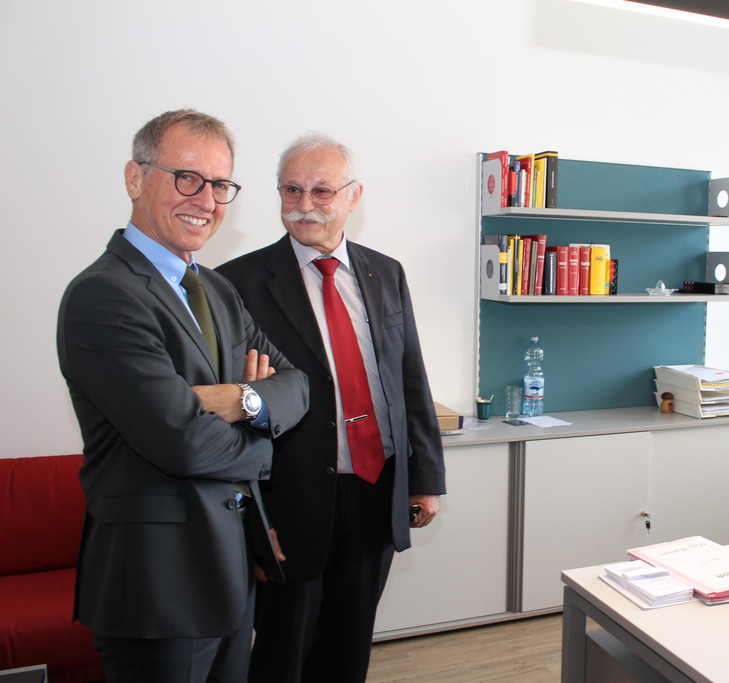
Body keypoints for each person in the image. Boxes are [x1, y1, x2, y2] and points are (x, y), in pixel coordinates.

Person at [56, 109, 310, 683]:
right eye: (187, 178)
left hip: (230, 572)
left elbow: (297, 384)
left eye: (220, 185)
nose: (207, 200)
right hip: (158, 588)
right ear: (135, 178)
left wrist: (242, 402)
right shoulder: (104, 295)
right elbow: (184, 444)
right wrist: (265, 440)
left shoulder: (216, 289)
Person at [217, 133, 446, 682]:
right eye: (292, 190)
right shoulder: (237, 283)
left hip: (375, 489)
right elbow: (231, 413)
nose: (305, 204)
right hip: (289, 499)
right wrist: (252, 520)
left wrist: (425, 477)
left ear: (353, 196)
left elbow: (409, 378)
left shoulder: (385, 273)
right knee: (283, 653)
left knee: (349, 646)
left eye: (322, 190)